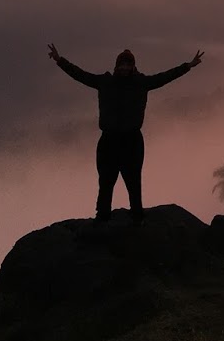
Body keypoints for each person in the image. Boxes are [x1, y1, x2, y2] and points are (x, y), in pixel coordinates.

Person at [48, 44, 204, 221]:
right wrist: (60, 60)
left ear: (133, 66)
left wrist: (188, 66)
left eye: (128, 65)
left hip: (132, 141)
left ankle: (137, 217)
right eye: (122, 65)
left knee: (133, 182)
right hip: (109, 140)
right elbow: (81, 75)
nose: (124, 68)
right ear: (117, 66)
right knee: (106, 182)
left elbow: (164, 77)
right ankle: (103, 218)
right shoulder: (105, 82)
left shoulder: (141, 83)